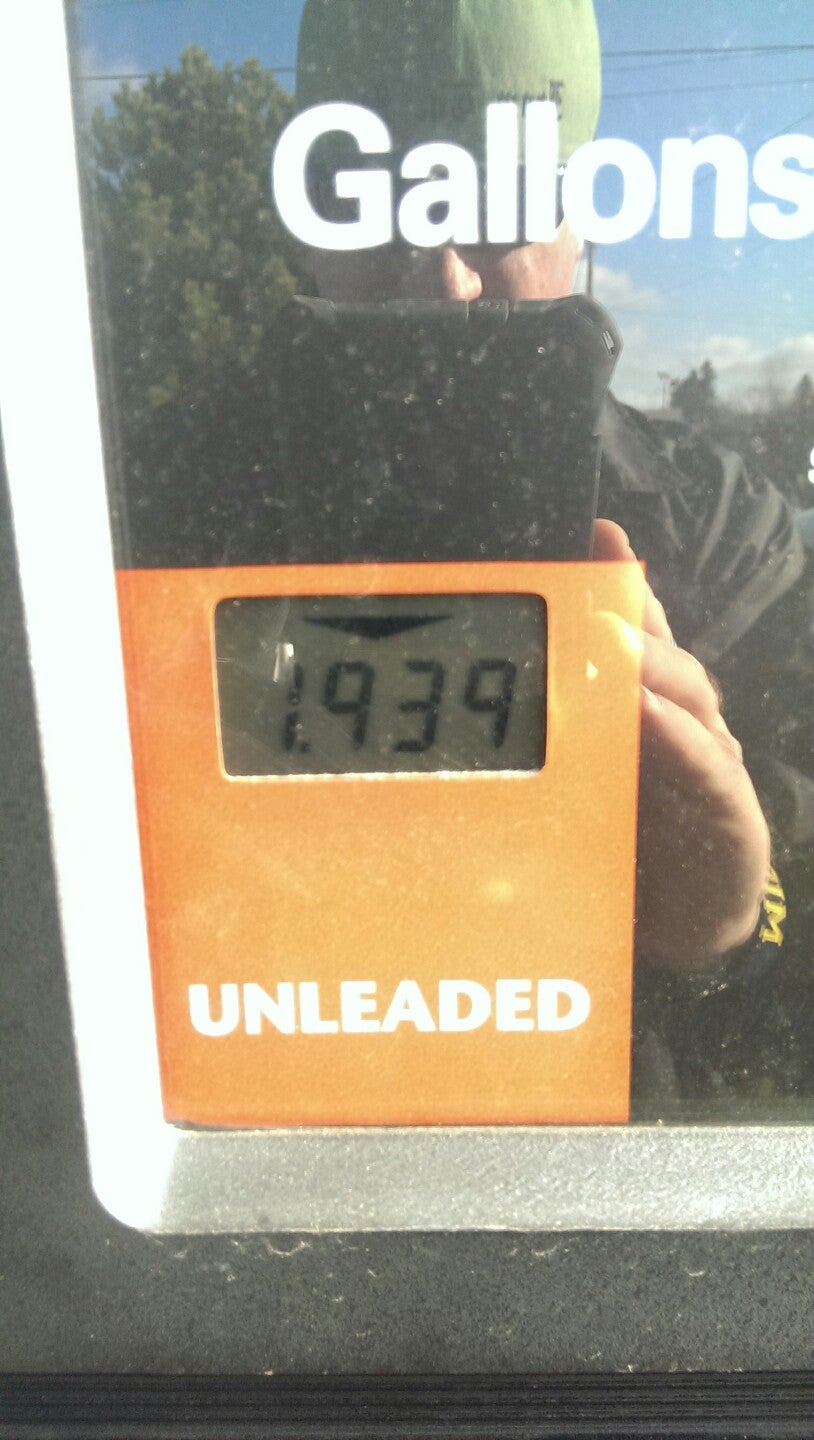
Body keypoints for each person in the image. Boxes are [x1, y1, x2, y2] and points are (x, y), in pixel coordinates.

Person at [291, 0, 813, 1112]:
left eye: (497, 201)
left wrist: (732, 923)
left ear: (580, 219)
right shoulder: (118, 510)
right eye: (377, 201)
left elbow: (784, 1009)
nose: (444, 276)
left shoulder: (729, 534)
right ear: (307, 219)